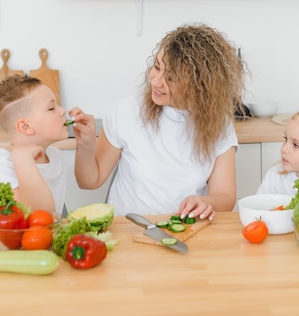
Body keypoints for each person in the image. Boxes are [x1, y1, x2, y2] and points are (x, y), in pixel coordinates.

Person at [69, 23, 247, 221]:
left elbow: (225, 196)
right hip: (127, 231)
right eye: (156, 67)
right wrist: (85, 146)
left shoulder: (219, 125)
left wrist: (206, 202)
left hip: (185, 231)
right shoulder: (125, 112)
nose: (156, 81)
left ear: (200, 86)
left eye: (170, 78)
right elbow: (89, 181)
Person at [0, 75, 69, 221]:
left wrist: (86, 143)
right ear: (25, 126)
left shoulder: (55, 155)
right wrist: (23, 158)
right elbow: (38, 218)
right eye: (51, 108)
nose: (63, 111)